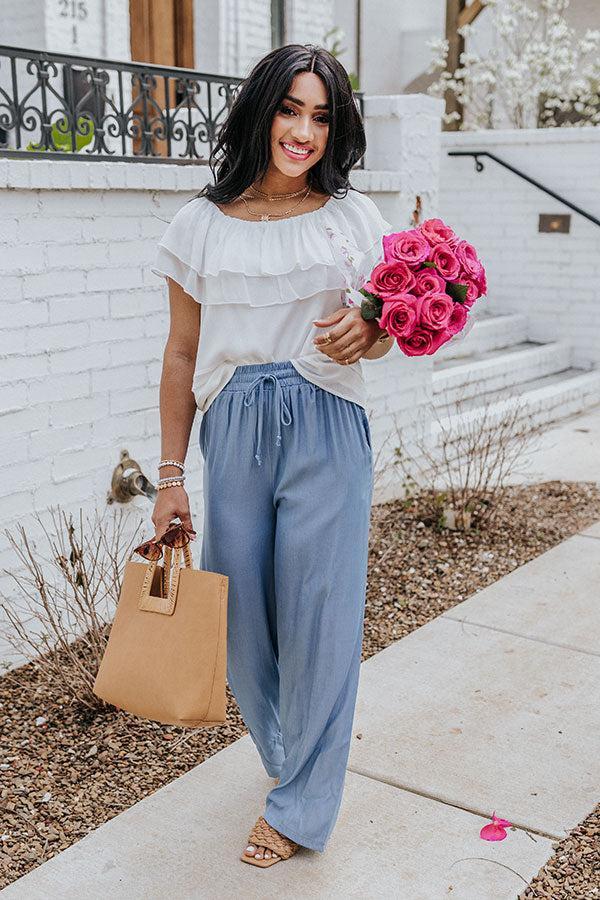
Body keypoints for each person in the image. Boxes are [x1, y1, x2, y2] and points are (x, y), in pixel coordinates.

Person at [150, 43, 394, 868]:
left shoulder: (352, 218)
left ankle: (298, 806)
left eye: (322, 116)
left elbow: (387, 331)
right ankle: (293, 763)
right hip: (238, 426)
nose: (304, 131)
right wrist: (171, 476)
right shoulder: (199, 224)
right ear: (261, 110)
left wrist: (373, 330)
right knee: (248, 630)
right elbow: (182, 355)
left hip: (327, 418)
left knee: (320, 617)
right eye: (291, 109)